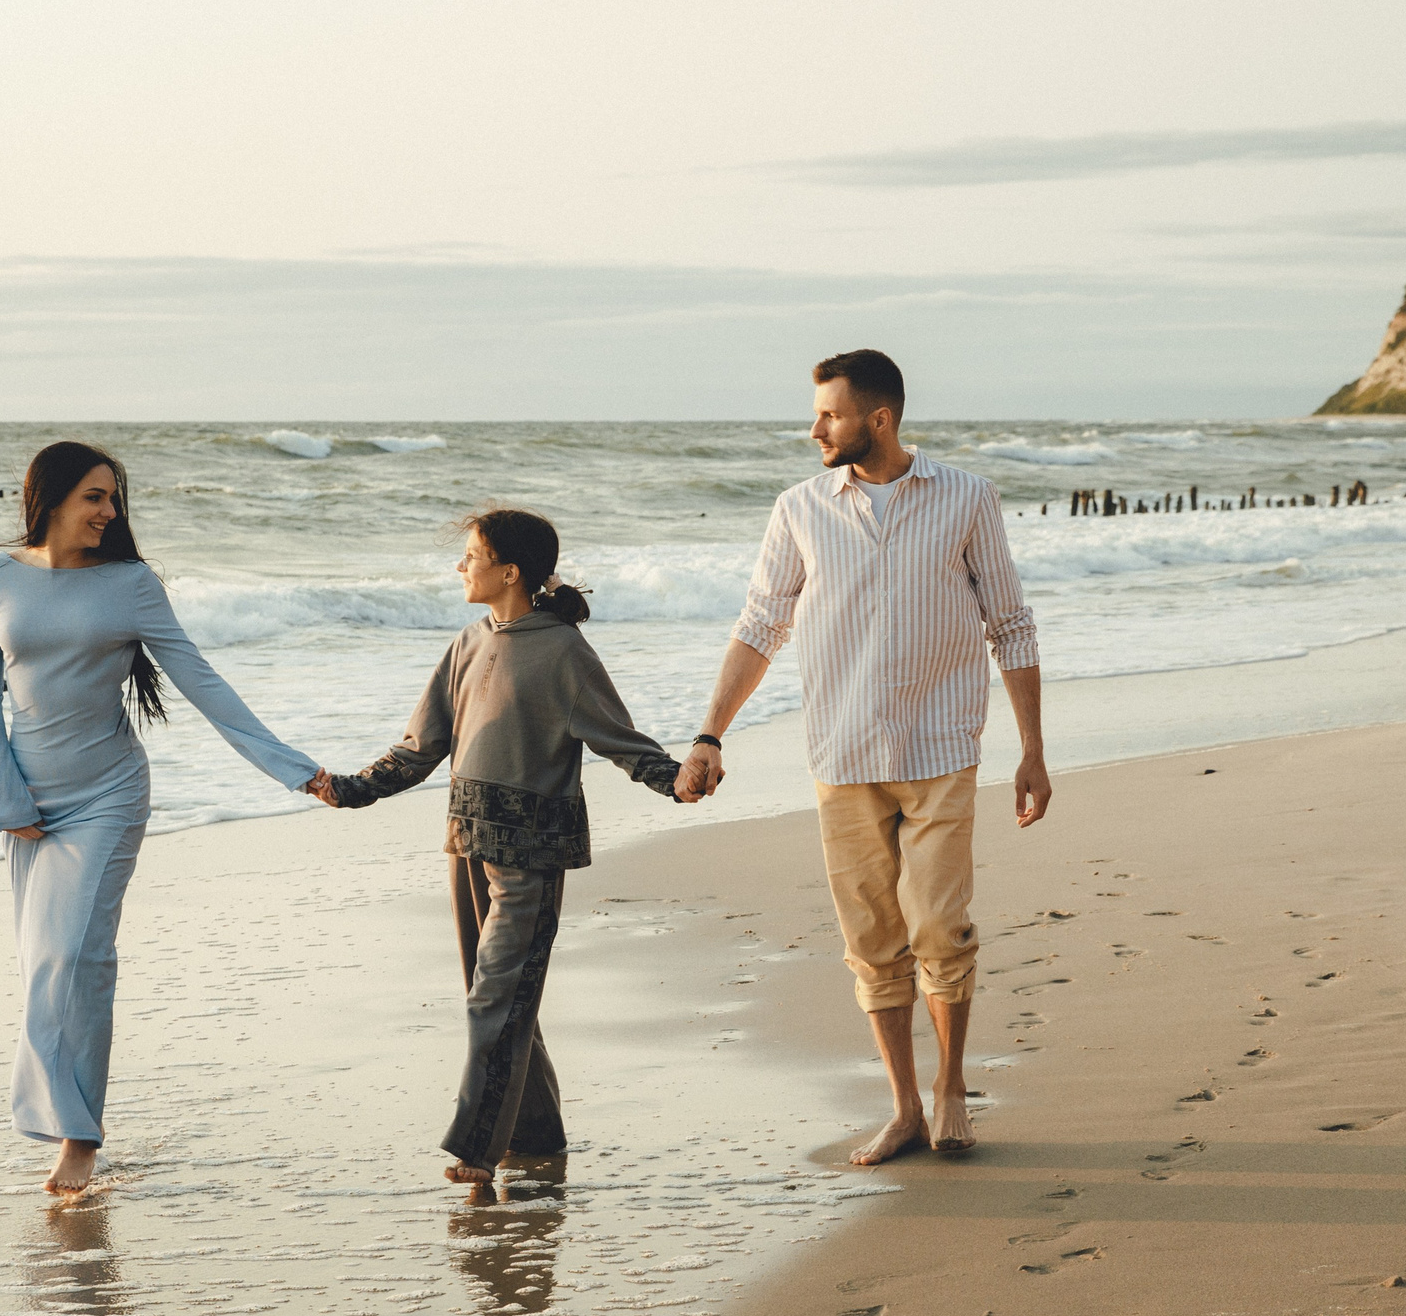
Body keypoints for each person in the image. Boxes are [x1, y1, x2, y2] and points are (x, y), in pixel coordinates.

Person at [675, 350, 1049, 1166]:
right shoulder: (800, 509)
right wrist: (709, 734)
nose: (815, 429)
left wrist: (1032, 750)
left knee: (938, 928)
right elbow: (759, 626)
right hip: (840, 756)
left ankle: (951, 1093)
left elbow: (1010, 625)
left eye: (830, 415)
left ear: (877, 420)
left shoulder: (967, 498)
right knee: (873, 943)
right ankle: (905, 1107)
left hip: (940, 748)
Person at [0, 440, 327, 1197]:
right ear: (53, 498)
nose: (110, 512)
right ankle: (68, 1117)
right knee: (45, 964)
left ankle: (80, 1136)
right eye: (95, 497)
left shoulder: (130, 584)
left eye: (114, 498)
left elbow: (200, 679)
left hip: (107, 793)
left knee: (75, 957)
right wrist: (3, 794)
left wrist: (295, 768)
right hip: (29, 801)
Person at [309, 509, 696, 1184]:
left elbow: (621, 739)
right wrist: (348, 789)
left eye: (471, 555)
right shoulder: (468, 643)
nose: (462, 566)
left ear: (510, 572)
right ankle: (536, 1132)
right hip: (466, 843)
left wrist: (678, 780)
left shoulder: (564, 651)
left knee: (498, 998)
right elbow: (419, 747)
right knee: (499, 997)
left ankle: (477, 1147)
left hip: (530, 856)